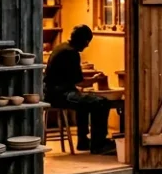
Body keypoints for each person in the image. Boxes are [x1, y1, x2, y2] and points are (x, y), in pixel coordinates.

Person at [44, 25, 118, 154]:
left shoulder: (62, 47)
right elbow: (80, 82)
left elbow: (74, 80)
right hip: (59, 94)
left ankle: (83, 141)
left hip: (52, 92)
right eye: (87, 42)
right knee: (101, 103)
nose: (87, 46)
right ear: (83, 40)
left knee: (84, 100)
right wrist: (95, 79)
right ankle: (98, 144)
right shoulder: (71, 53)